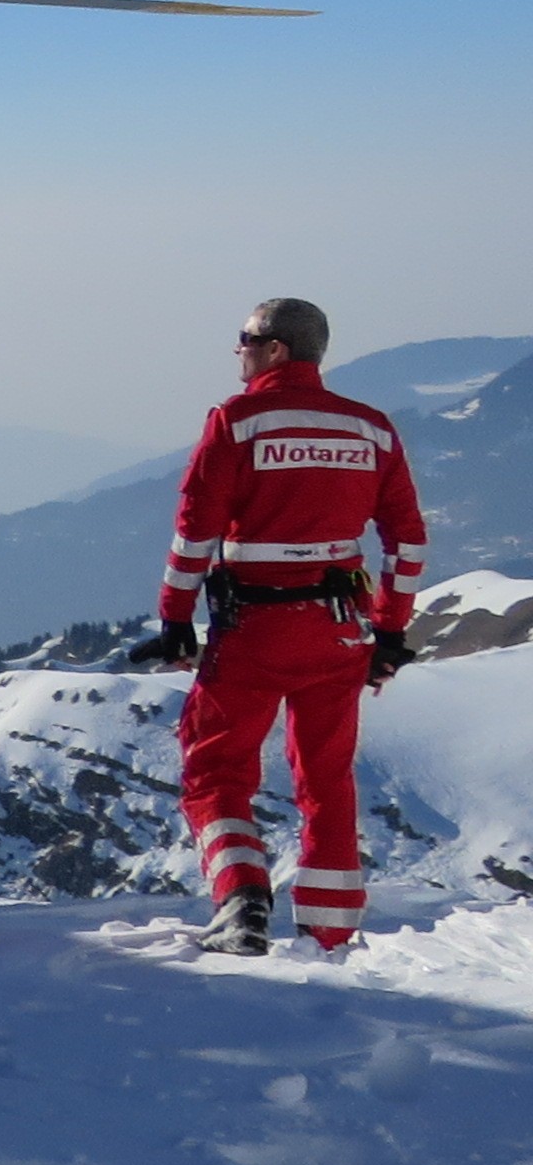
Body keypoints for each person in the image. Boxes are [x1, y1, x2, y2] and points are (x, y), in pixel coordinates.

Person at [128, 298, 428, 955]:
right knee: (327, 778)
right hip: (340, 631)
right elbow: (407, 542)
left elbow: (194, 533)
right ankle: (331, 934)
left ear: (276, 351)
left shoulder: (237, 422)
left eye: (244, 339)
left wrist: (177, 620)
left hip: (254, 631)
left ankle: (241, 899)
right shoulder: (372, 429)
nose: (236, 350)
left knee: (216, 771)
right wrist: (390, 634)